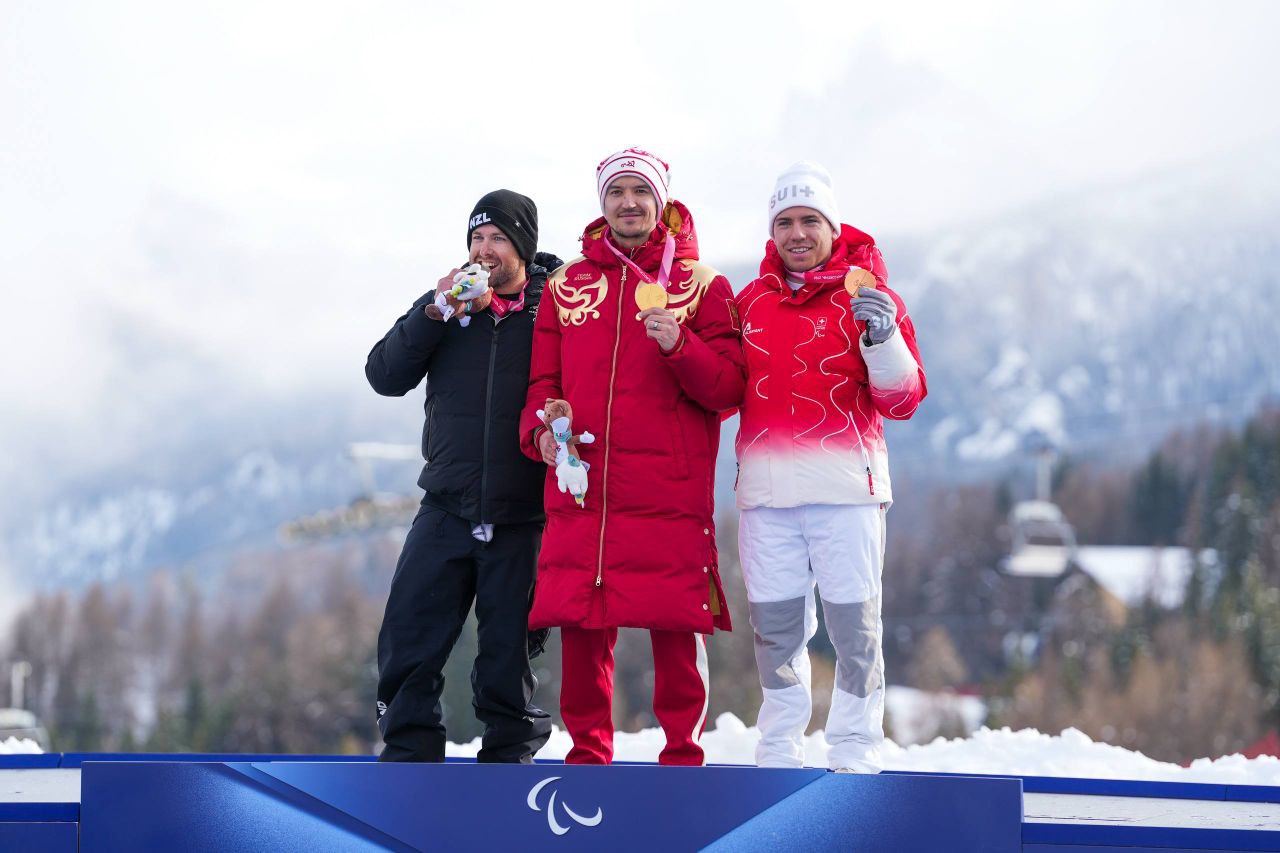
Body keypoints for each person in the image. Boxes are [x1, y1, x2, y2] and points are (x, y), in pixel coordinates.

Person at [519, 148, 746, 766]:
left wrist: (680, 345)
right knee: (583, 625)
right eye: (616, 192)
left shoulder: (702, 285)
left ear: (660, 203)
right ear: (603, 203)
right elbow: (542, 384)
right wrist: (542, 435)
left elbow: (728, 388)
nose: (628, 203)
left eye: (640, 192)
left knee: (676, 625)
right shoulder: (567, 286)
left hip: (667, 486)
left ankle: (683, 755)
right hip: (584, 484)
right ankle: (587, 755)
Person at [734, 161, 927, 772]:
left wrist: (883, 339)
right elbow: (719, 389)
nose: (797, 233)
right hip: (766, 495)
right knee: (775, 630)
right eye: (785, 222)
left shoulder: (870, 298)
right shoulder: (749, 302)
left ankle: (854, 746)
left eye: (810, 221)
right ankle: (779, 746)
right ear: (772, 231)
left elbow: (903, 400)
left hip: (847, 492)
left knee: (854, 628)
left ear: (832, 226)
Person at [366, 189, 560, 763]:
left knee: (507, 653)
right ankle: (410, 755)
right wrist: (433, 311)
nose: (484, 249)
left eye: (498, 237)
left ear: (523, 247)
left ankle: (509, 761)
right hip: (446, 504)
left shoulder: (552, 309)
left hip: (522, 511)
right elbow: (384, 375)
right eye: (477, 238)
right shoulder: (446, 307)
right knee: (409, 634)